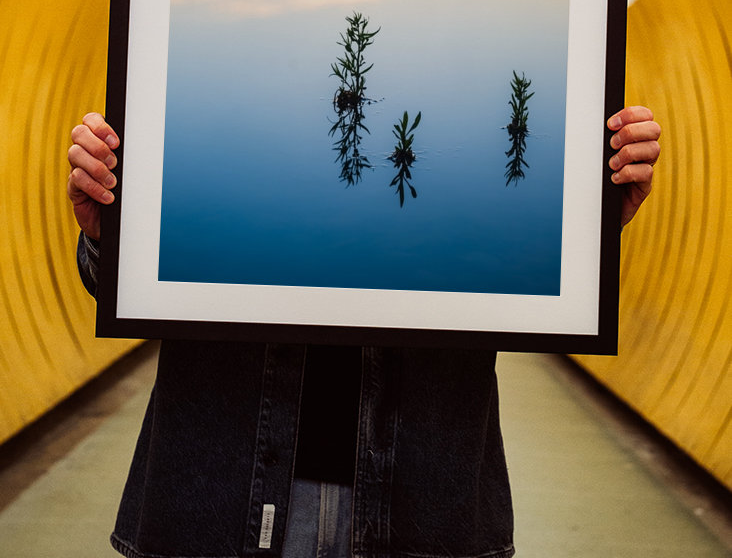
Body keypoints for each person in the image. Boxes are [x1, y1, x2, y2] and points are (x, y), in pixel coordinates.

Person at [68, 106, 661, 558]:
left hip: (423, 499)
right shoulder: (216, 115)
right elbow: (131, 281)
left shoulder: (462, 137)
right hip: (220, 492)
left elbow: (509, 258)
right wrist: (109, 234)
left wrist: (586, 226)